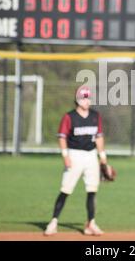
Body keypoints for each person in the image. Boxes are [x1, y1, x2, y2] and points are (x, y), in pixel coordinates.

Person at [44, 85, 108, 236]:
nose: (87, 101)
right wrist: (65, 156)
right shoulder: (69, 117)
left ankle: (90, 223)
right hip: (74, 155)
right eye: (84, 98)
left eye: (88, 98)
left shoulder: (95, 116)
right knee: (66, 189)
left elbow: (99, 137)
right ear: (77, 100)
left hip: (91, 155)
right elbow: (62, 137)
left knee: (92, 190)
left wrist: (103, 158)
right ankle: (53, 222)